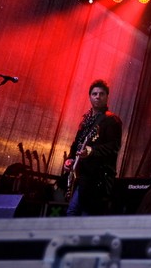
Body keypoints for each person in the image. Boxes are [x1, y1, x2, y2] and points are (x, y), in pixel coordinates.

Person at [63, 79, 122, 216]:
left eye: (101, 94)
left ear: (107, 97)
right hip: (82, 177)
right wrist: (69, 160)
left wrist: (91, 151)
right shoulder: (86, 120)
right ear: (89, 96)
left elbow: (114, 146)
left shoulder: (111, 120)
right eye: (94, 94)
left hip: (98, 178)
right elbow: (76, 144)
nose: (97, 97)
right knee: (73, 212)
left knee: (82, 214)